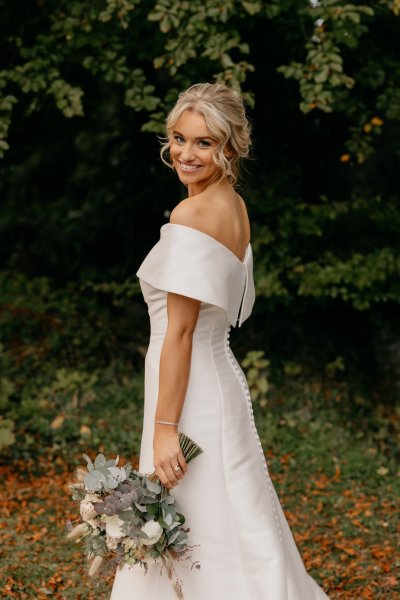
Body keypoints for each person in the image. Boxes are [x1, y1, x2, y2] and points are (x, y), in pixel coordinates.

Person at [110, 82, 330, 599]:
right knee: (230, 517)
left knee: (199, 519)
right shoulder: (234, 206)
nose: (187, 153)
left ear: (230, 146)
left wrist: (166, 430)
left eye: (204, 143)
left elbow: (181, 332)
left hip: (189, 395)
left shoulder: (193, 215)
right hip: (217, 377)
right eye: (180, 139)